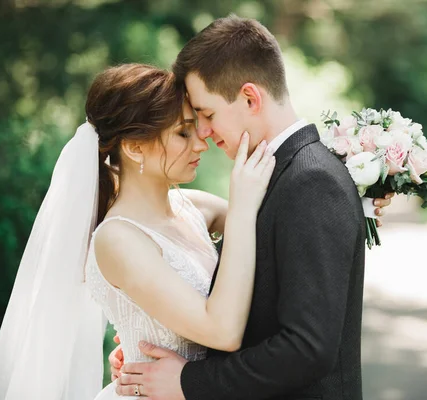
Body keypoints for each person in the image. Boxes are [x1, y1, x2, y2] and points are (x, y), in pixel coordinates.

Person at [111, 16, 394, 400]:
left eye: (207, 115)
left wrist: (188, 381)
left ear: (250, 98)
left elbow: (307, 348)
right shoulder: (281, 176)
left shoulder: (311, 182)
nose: (204, 134)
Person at [0, 63, 277, 400]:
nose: (201, 144)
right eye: (183, 133)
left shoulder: (194, 208)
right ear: (134, 147)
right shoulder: (117, 240)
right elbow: (222, 331)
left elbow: (277, 224)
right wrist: (241, 204)